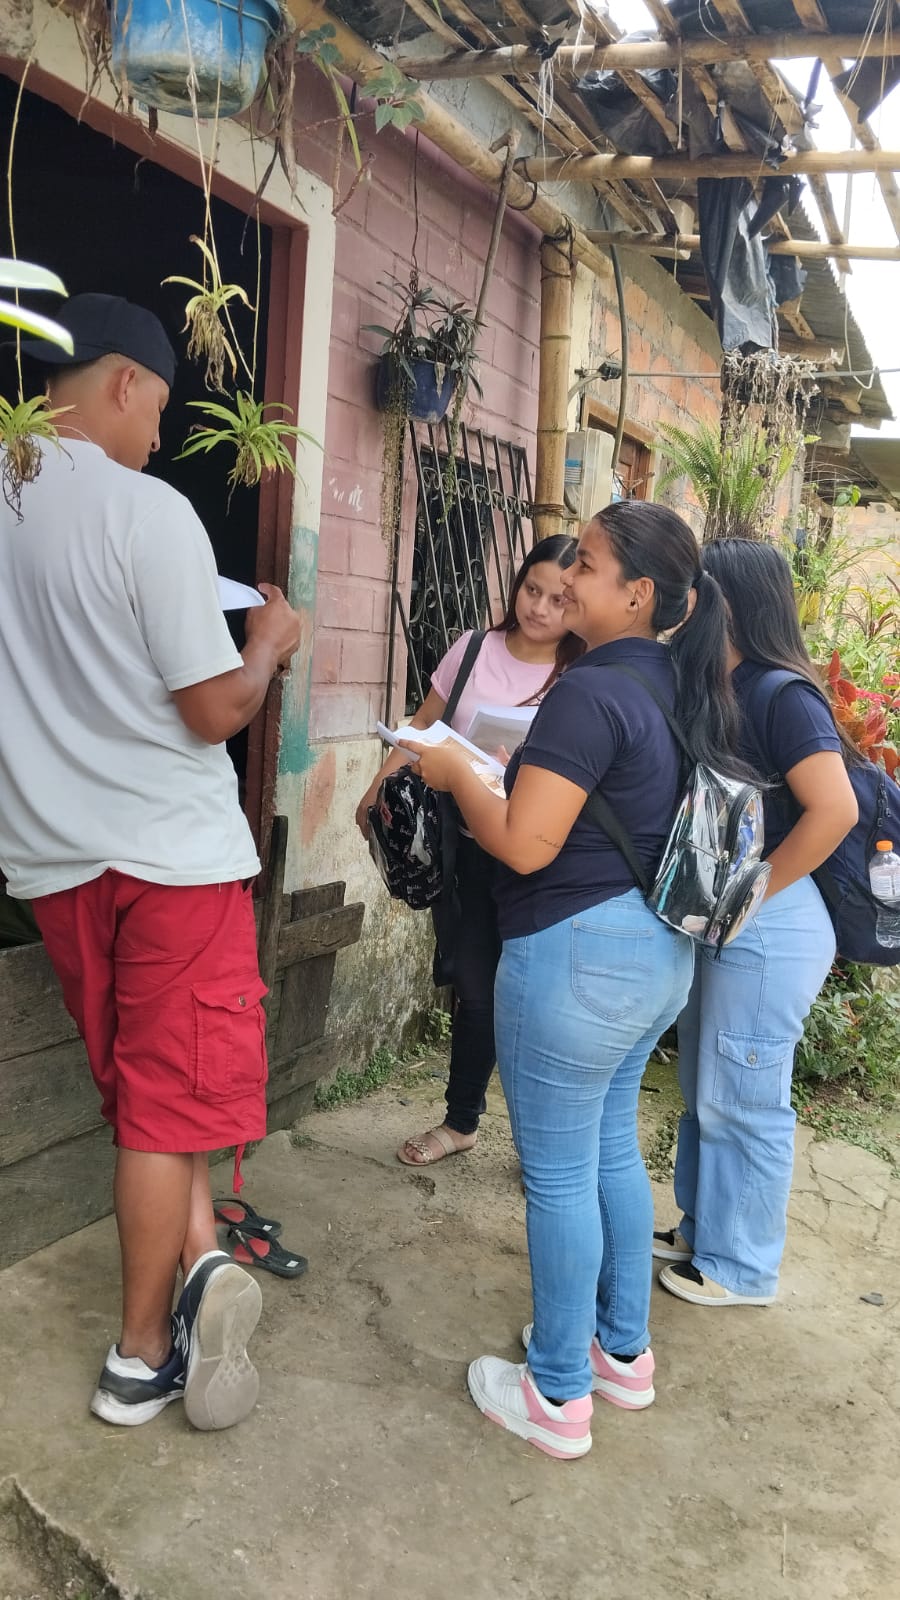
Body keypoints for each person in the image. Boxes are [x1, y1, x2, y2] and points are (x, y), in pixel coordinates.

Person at [0, 294, 301, 1429]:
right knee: (166, 1111)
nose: (161, 434)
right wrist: (266, 643)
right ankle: (139, 1356)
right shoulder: (145, 510)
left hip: (52, 862)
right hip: (171, 860)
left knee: (141, 1091)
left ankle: (202, 1256)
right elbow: (213, 708)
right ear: (123, 381)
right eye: (161, 407)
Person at [400, 501, 750, 1459]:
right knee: (608, 1153)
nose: (566, 580)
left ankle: (556, 1392)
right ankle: (619, 1351)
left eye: (586, 565)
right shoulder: (679, 686)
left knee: (558, 1178)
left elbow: (523, 843)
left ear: (637, 595)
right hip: (656, 956)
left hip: (576, 958)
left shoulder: (590, 693)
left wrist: (453, 771)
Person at [654, 538, 859, 1308]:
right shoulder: (722, 683)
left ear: (730, 601)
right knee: (707, 1084)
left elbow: (834, 809)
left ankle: (741, 1267)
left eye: (698, 589)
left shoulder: (782, 693)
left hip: (771, 921)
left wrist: (756, 891)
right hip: (731, 914)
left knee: (744, 1093)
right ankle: (702, 1228)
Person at [356, 536, 583, 1167]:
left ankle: (548, 1147)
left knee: (542, 1004)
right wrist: (375, 790)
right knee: (475, 989)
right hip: (467, 850)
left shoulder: (581, 674)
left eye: (558, 599)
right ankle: (462, 1122)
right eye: (532, 589)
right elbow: (424, 727)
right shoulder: (474, 648)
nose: (539, 608)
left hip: (541, 860)